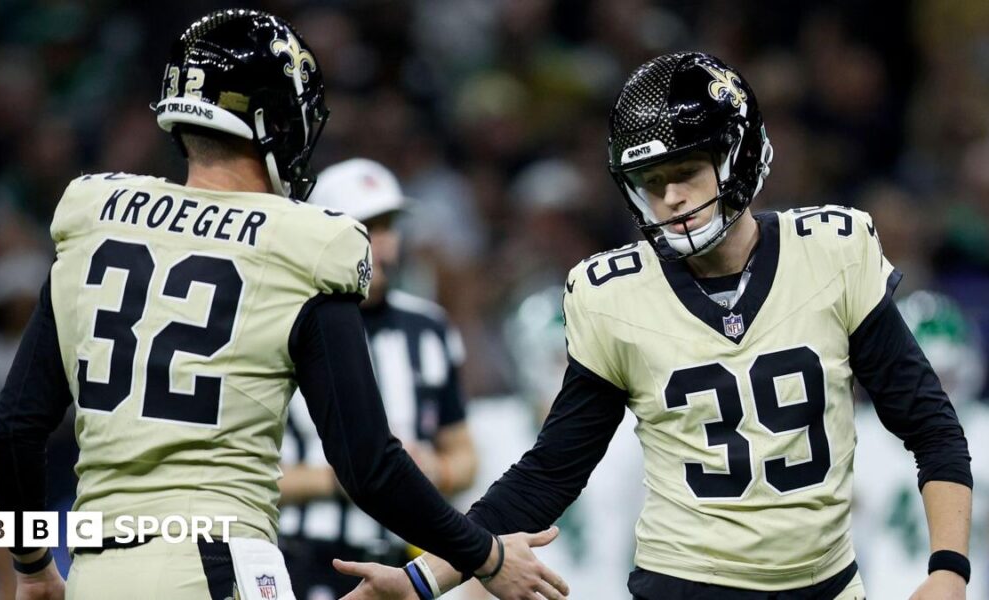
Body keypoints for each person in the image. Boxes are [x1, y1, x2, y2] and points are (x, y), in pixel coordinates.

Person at [335, 51, 973, 600]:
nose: (669, 198)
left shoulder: (832, 253)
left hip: (830, 585)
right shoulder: (614, 296)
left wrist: (948, 571)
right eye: (650, 182)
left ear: (739, 156)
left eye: (686, 173)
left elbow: (931, 426)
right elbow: (549, 473)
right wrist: (426, 579)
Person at [0, 10, 568, 600]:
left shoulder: (94, 217)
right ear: (276, 123)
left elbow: (13, 431)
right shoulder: (307, 243)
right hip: (219, 562)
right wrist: (486, 556)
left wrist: (33, 565)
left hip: (98, 570)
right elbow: (368, 465)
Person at [278, 158, 479, 599]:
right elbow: (247, 472)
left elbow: (464, 455)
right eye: (367, 228)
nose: (383, 247)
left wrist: (434, 471)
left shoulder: (428, 327)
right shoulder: (282, 322)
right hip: (304, 558)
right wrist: (351, 476)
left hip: (402, 565)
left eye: (389, 227)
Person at [853, 290, 988, 599]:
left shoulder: (983, 432)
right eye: (924, 377)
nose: (933, 392)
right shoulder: (858, 435)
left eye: (944, 377)